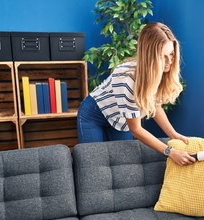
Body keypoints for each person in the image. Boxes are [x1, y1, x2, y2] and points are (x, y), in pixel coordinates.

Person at [77, 22, 195, 167]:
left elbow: (155, 105)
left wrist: (173, 134)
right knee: (94, 166)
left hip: (121, 120)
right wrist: (170, 152)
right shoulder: (126, 78)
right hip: (94, 115)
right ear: (150, 57)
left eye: (171, 54)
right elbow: (136, 129)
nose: (169, 61)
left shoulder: (157, 72)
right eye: (163, 56)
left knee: (125, 166)